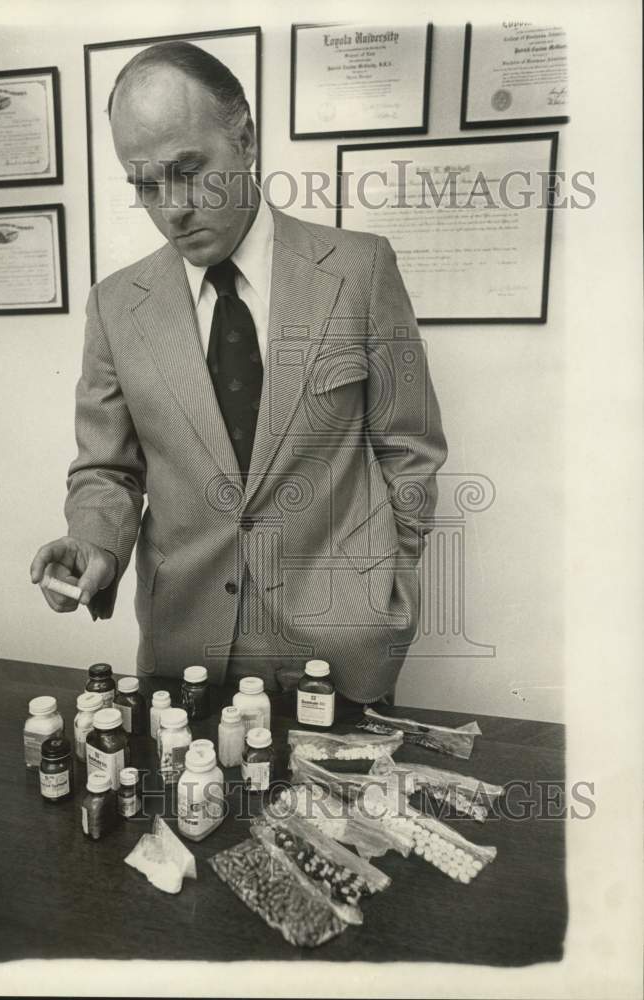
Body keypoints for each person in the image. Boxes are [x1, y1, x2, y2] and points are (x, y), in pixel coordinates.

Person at [30, 41, 447, 704]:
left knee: (340, 813)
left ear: (245, 139)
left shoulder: (360, 271)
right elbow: (106, 471)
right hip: (185, 649)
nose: (172, 208)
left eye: (188, 170)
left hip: (341, 646)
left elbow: (410, 446)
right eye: (145, 185)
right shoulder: (116, 305)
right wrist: (94, 545)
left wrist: (381, 587)